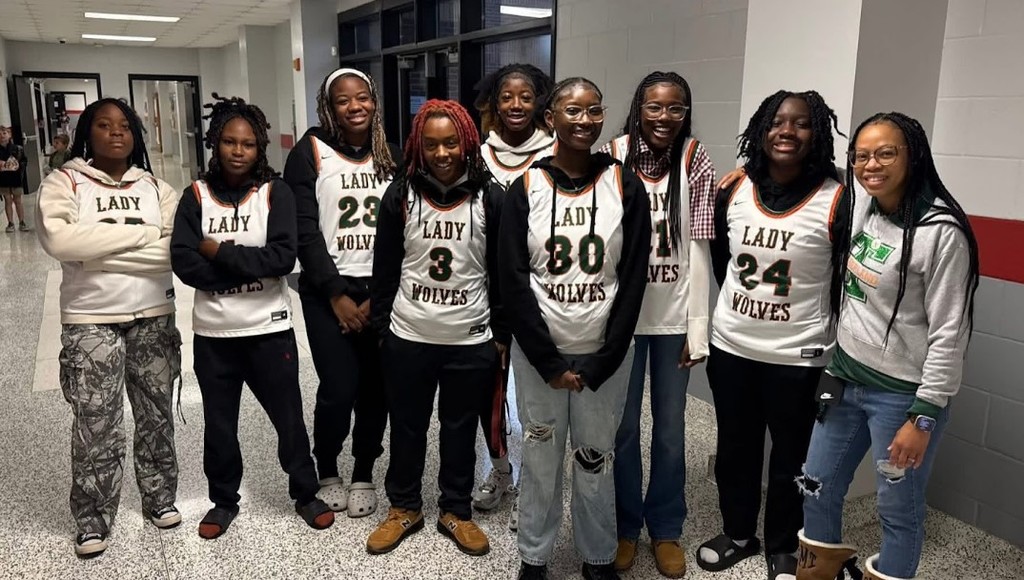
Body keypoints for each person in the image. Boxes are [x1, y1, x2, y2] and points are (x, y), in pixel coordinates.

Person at [795, 113, 978, 580]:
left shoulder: (942, 232)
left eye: (886, 153)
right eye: (861, 155)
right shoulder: (865, 207)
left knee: (897, 509)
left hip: (901, 399)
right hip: (844, 379)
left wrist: (924, 416)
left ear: (912, 155)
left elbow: (948, 334)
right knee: (815, 486)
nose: (870, 164)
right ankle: (820, 574)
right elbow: (816, 175)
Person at [499, 77, 651, 580]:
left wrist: (604, 360)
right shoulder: (526, 187)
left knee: (594, 459)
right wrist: (547, 360)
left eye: (593, 111)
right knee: (540, 459)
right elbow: (513, 279)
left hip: (602, 357)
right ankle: (534, 557)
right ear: (551, 119)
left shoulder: (625, 185)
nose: (584, 120)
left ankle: (598, 556)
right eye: (571, 110)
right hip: (540, 356)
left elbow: (631, 282)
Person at [697, 90, 850, 580]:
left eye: (800, 123)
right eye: (777, 122)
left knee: (792, 460)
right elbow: (723, 266)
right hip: (734, 348)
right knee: (736, 450)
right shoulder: (734, 189)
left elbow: (844, 283)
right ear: (762, 130)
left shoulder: (838, 197)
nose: (787, 131)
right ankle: (739, 535)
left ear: (816, 133)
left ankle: (784, 547)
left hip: (799, 358)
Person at [171, 95, 334, 539]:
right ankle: (223, 501)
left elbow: (282, 258)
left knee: (289, 421)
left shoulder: (274, 193)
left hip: (269, 331)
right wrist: (242, 265)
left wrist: (219, 253)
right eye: (229, 142)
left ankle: (306, 492)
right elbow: (185, 263)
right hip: (214, 336)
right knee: (220, 426)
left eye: (247, 143)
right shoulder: (195, 196)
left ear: (259, 147)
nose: (238, 151)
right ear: (215, 144)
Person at [35, 98, 182, 559]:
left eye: (124, 126)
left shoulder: (158, 188)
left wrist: (96, 248)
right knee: (96, 425)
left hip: (153, 316)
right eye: (104, 125)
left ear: (135, 134)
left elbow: (174, 250)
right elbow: (60, 240)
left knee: (157, 417)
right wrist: (142, 233)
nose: (116, 133)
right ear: (87, 133)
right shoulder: (64, 182)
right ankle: (93, 519)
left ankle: (160, 498)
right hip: (89, 319)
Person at [367, 99, 507, 557]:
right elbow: (384, 270)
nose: (442, 153)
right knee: (407, 427)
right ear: (418, 147)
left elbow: (504, 274)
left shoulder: (492, 197)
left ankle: (456, 510)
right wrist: (386, 331)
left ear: (467, 141)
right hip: (409, 337)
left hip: (469, 341)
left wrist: (500, 336)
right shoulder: (401, 194)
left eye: (450, 142)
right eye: (431, 144)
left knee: (459, 428)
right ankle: (404, 507)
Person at [601, 71, 716, 579]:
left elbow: (700, 249)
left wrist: (699, 328)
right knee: (622, 430)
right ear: (639, 108)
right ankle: (626, 526)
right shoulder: (613, 153)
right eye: (655, 106)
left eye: (675, 107)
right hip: (622, 322)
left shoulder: (695, 158)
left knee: (670, 432)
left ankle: (665, 528)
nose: (664, 117)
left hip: (673, 319)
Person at [283, 67, 400, 518]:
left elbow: (405, 228)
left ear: (374, 101)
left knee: (376, 390)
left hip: (382, 292)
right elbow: (305, 230)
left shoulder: (392, 155)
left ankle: (365, 471)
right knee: (338, 386)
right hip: (326, 293)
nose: (355, 107)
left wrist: (380, 296)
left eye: (363, 98)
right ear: (328, 108)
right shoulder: (309, 151)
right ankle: (327, 465)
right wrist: (335, 294)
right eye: (343, 100)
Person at [470, 62, 555, 528]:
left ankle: (542, 487)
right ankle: (501, 470)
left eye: (526, 96)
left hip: (545, 296)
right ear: (494, 103)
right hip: (487, 296)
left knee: (541, 400)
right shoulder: (477, 156)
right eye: (507, 97)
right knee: (492, 392)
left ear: (540, 101)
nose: (517, 105)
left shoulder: (560, 152)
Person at [0, 125, 29, 232]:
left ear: (9, 135)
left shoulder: (17, 149)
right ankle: (10, 223)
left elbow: (24, 161)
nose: (2, 136)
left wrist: (17, 166)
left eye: (4, 133)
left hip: (16, 178)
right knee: (7, 200)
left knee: (18, 200)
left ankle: (22, 221)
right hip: (3, 179)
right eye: (0, 134)